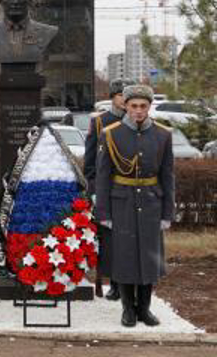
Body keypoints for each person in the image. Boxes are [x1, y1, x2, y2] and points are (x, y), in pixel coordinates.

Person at [96, 84, 175, 327]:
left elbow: (167, 175)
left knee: (149, 259)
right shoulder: (110, 133)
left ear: (149, 107)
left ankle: (145, 309)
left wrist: (167, 212)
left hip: (151, 202)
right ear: (125, 106)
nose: (138, 111)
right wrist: (104, 212)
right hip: (122, 203)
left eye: (143, 106)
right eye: (133, 106)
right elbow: (102, 176)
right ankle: (128, 309)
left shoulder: (163, 134)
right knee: (126, 257)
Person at [83, 77, 135, 301]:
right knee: (110, 239)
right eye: (120, 95)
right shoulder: (99, 122)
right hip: (107, 188)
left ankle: (128, 283)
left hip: (131, 189)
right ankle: (113, 283)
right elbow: (91, 160)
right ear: (113, 97)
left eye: (127, 96)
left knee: (129, 238)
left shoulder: (137, 122)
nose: (124, 100)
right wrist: (93, 188)